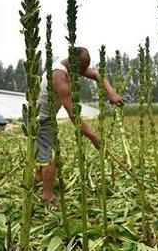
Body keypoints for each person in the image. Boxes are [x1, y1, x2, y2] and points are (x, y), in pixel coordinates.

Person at [34, 47, 124, 206]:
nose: (84, 72)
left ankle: (38, 179)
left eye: (85, 67)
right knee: (50, 156)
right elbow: (74, 115)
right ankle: (47, 196)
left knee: (42, 151)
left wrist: (111, 93)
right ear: (73, 63)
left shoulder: (71, 67)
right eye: (82, 68)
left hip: (47, 116)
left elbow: (96, 74)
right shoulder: (59, 77)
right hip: (40, 119)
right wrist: (94, 138)